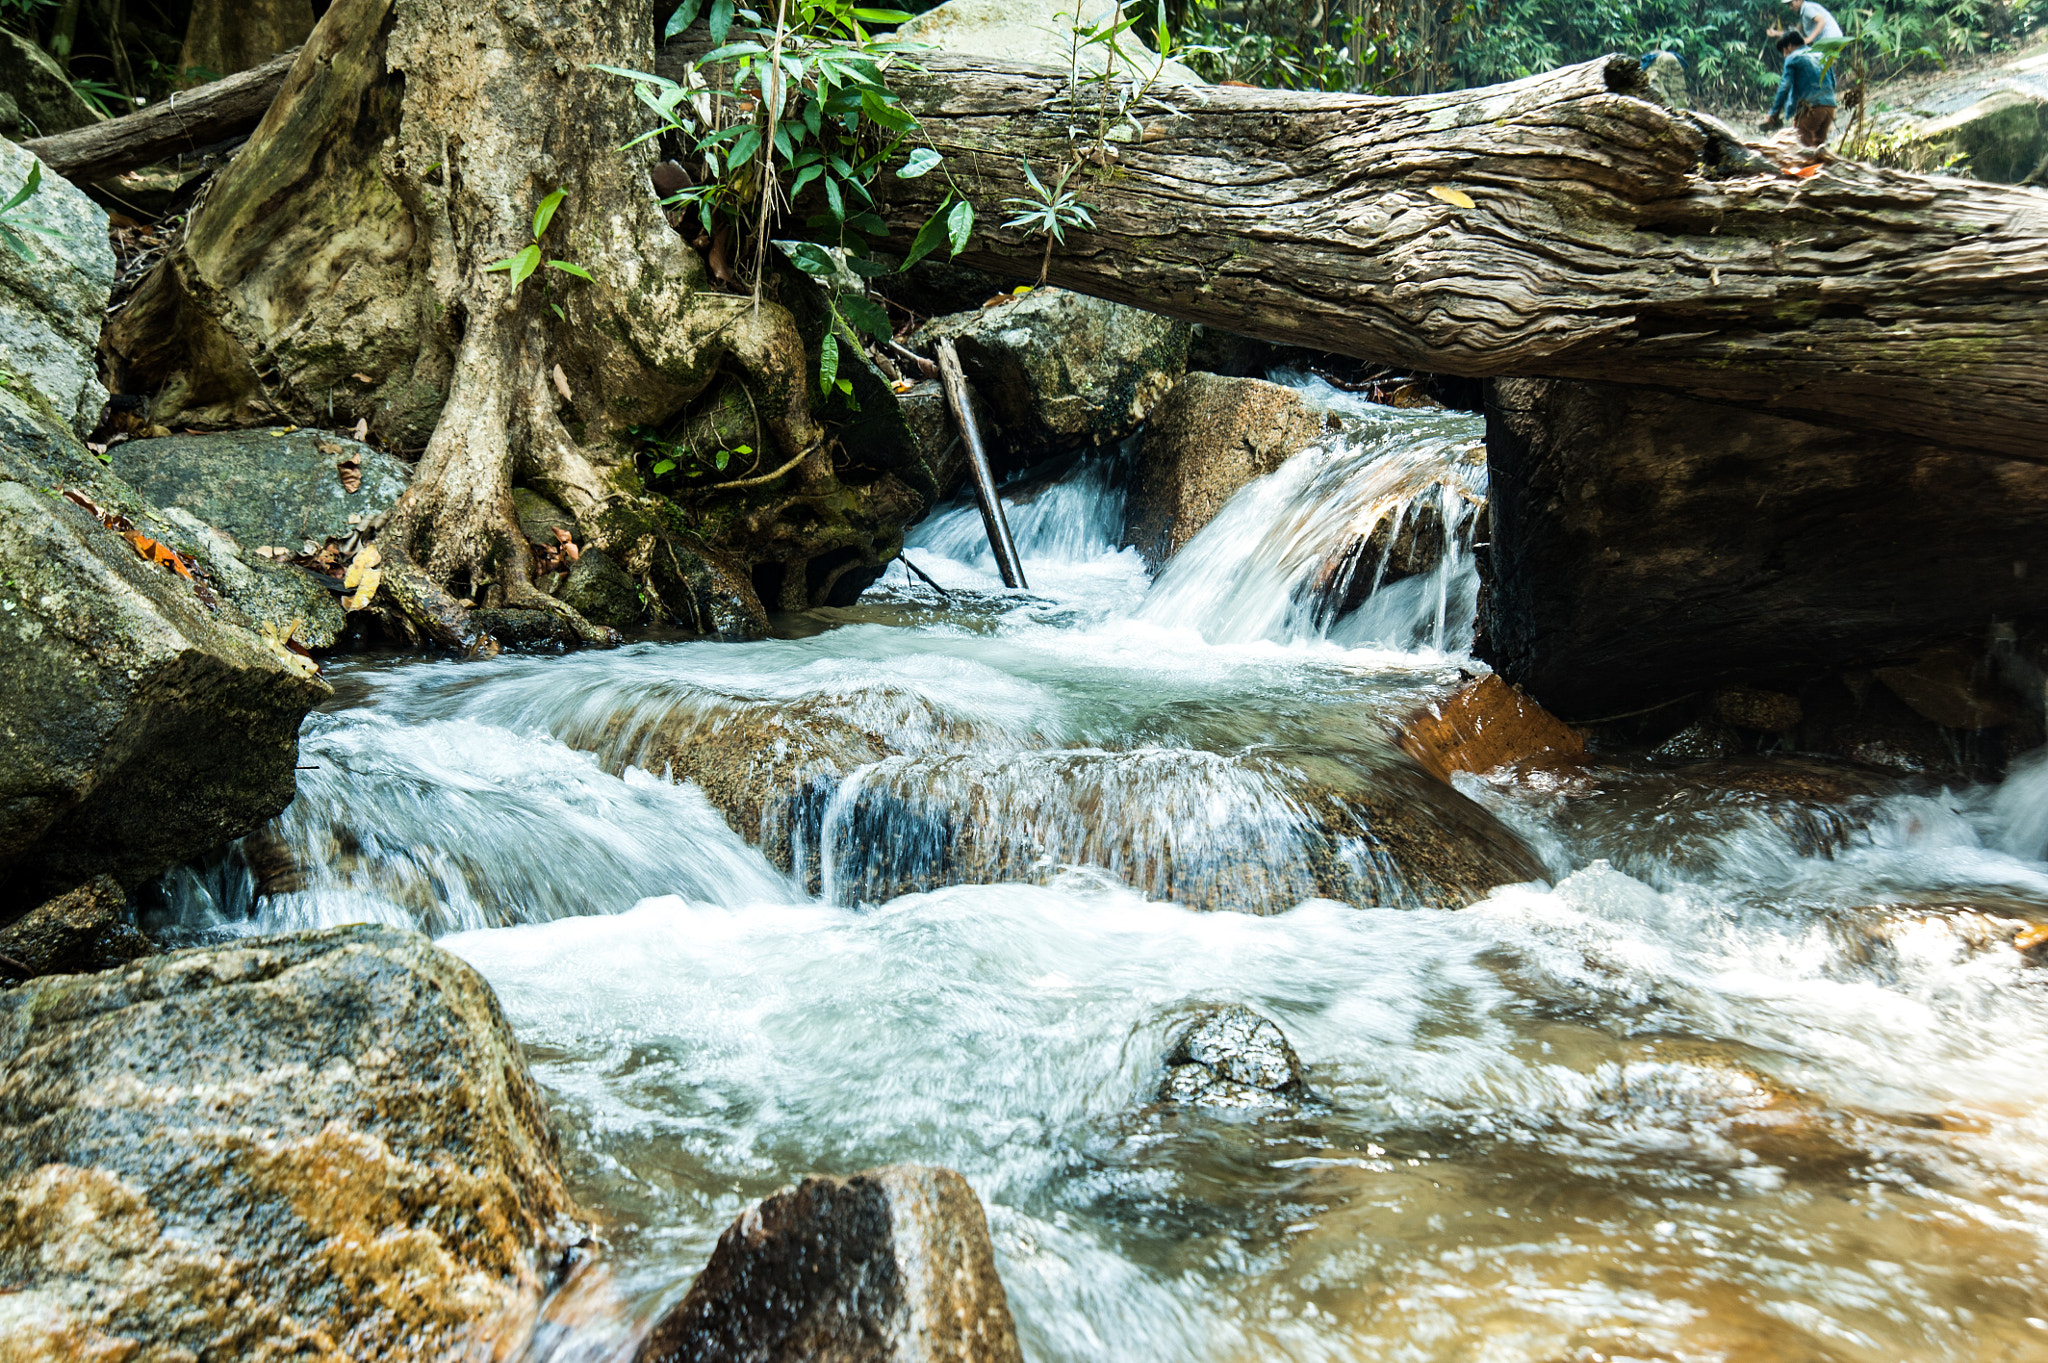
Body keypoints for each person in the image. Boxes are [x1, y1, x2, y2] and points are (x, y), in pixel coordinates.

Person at [1761, 29, 1836, 147]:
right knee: (1818, 150)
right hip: (1830, 107)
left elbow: (1785, 86)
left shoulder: (1793, 58)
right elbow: (1833, 82)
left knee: (1802, 149)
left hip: (1812, 108)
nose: (1785, 55)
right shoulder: (1821, 54)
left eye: (1784, 51)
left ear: (1789, 46)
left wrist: (1774, 113)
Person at [1768, 0, 1844, 45]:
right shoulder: (1803, 13)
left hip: (1831, 38)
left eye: (1791, 4)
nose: (1790, 8)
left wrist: (1809, 39)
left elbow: (1821, 22)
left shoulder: (1808, 9)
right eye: (1788, 5)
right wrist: (1775, 33)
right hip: (1829, 40)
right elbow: (1795, 32)